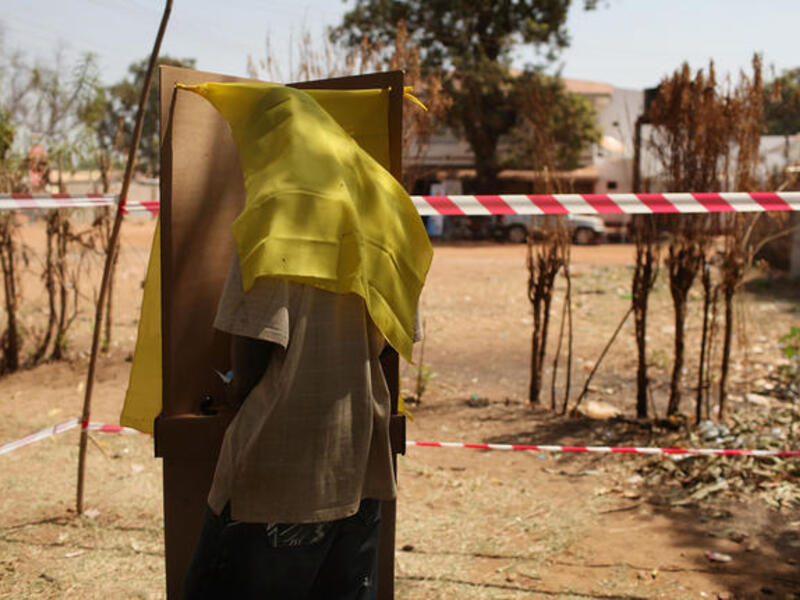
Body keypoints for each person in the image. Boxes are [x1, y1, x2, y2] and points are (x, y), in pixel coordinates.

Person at [182, 259, 400, 599]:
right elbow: (392, 338)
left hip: (276, 469)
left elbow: (251, 344)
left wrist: (236, 388)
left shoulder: (272, 221)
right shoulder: (386, 223)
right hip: (358, 463)